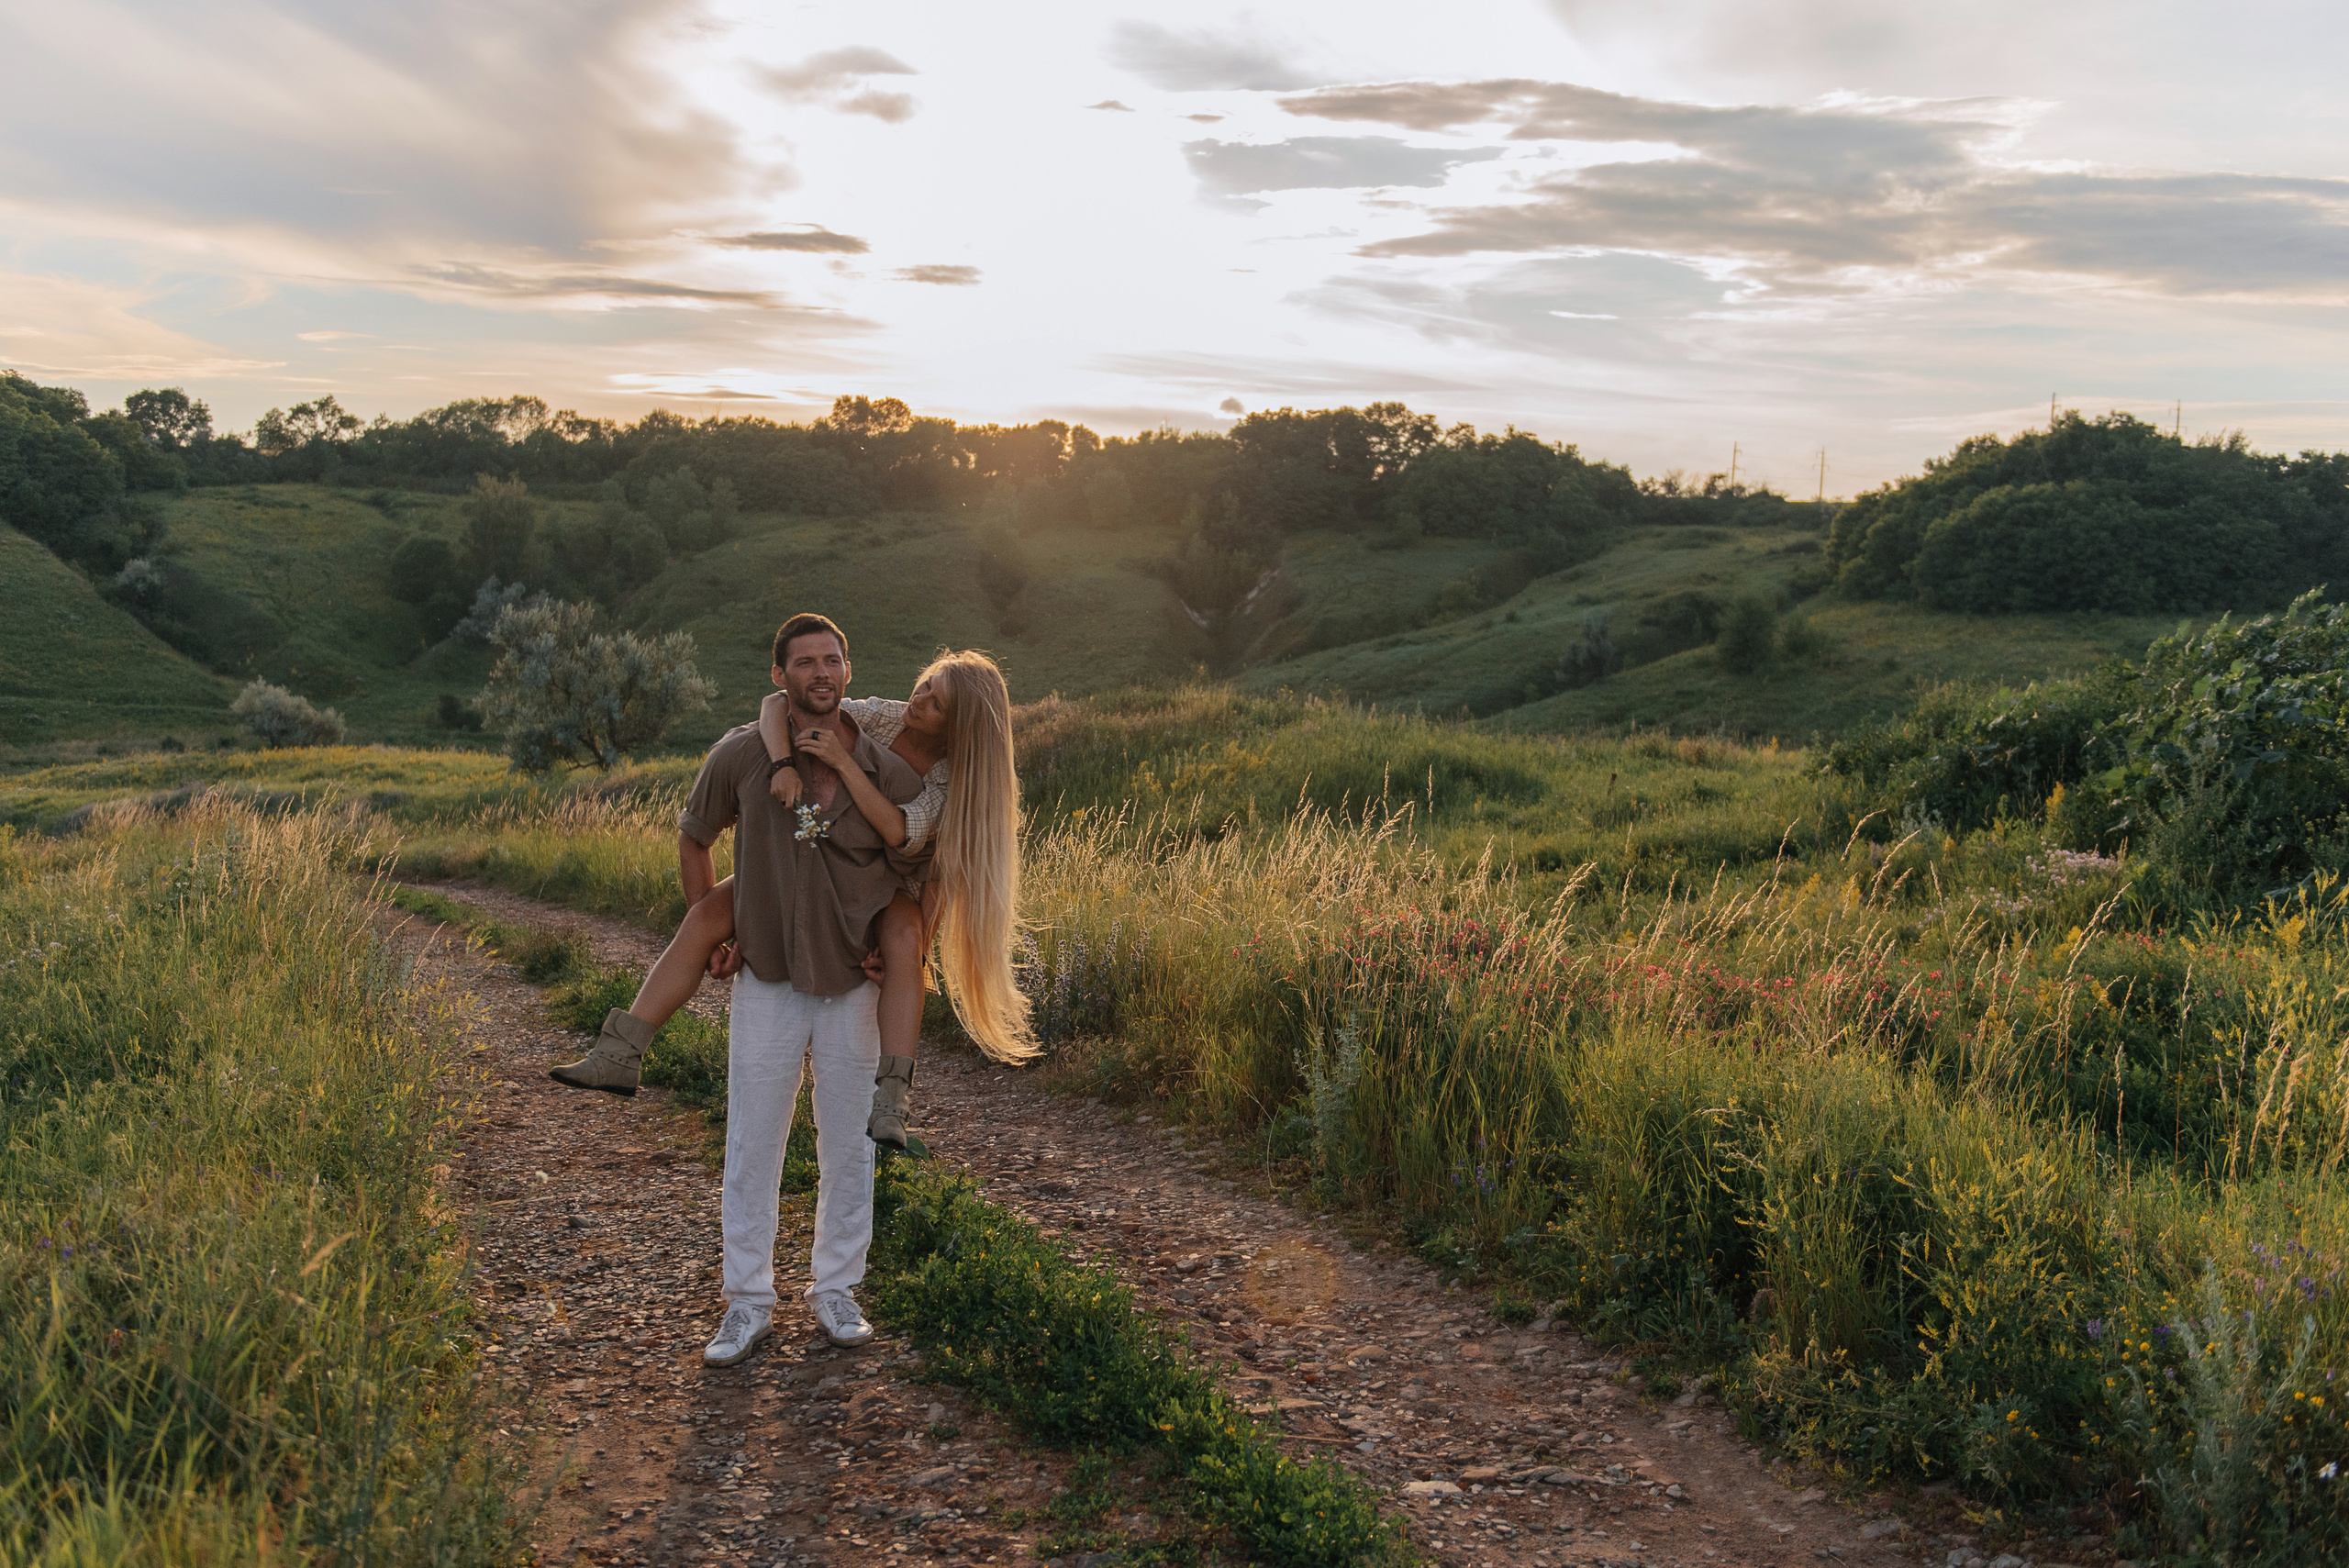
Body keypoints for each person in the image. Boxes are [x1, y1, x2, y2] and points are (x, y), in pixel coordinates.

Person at [549, 648, 1038, 1151]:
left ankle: (892, 1101)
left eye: (937, 704)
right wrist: (783, 763)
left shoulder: (951, 779)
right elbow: (776, 705)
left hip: (889, 882)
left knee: (906, 943)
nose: (920, 699)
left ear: (959, 728)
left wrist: (844, 762)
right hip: (822, 861)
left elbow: (905, 840)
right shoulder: (884, 715)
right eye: (926, 684)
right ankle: (620, 1051)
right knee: (708, 914)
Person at [642, 613, 928, 1361]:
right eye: (805, 662)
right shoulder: (741, 752)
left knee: (851, 1143)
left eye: (832, 659)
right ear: (780, 675)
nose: (821, 672)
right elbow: (694, 835)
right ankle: (747, 1302)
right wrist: (716, 929)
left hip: (854, 984)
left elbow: (919, 865)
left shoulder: (885, 769)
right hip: (769, 977)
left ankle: (837, 1289)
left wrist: (898, 943)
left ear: (849, 671)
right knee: (753, 1139)